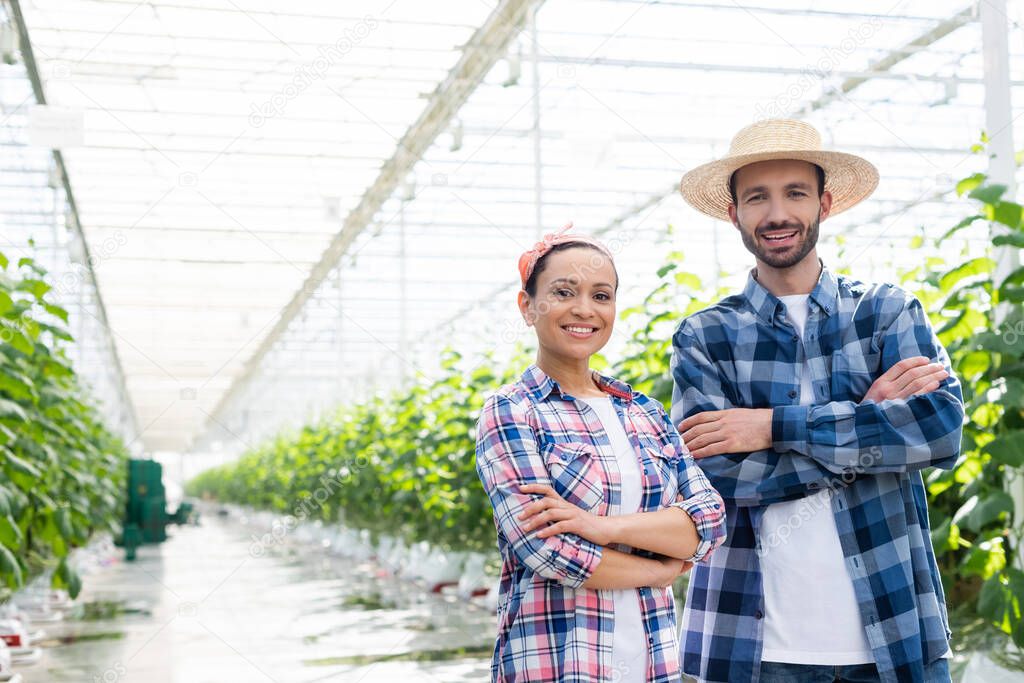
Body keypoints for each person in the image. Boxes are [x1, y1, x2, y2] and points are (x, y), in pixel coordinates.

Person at [672, 119, 962, 683]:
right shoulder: (705, 336)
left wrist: (773, 426)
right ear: (734, 213)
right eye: (757, 197)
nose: (777, 213)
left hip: (896, 633)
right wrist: (869, 426)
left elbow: (938, 431)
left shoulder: (888, 314)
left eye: (795, 193)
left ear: (825, 203)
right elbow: (711, 475)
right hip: (751, 648)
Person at [475, 224, 727, 683]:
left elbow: (709, 521)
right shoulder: (513, 411)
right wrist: (656, 570)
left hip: (653, 664)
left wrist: (599, 527)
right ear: (527, 307)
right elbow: (549, 549)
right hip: (557, 665)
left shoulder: (645, 412)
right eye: (564, 292)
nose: (584, 309)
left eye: (601, 295)